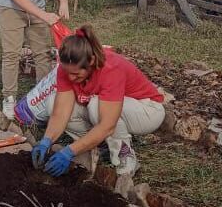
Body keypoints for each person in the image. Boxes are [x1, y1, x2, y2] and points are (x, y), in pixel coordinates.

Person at [30, 26, 164, 177]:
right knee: (52, 102)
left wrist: (69, 152)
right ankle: (99, 145)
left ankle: (124, 155)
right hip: (110, 108)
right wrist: (46, 141)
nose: (71, 78)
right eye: (67, 73)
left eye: (76, 74)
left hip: (147, 110)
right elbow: (60, 113)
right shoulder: (67, 68)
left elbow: (107, 125)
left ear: (91, 61)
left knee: (95, 106)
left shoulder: (111, 69)